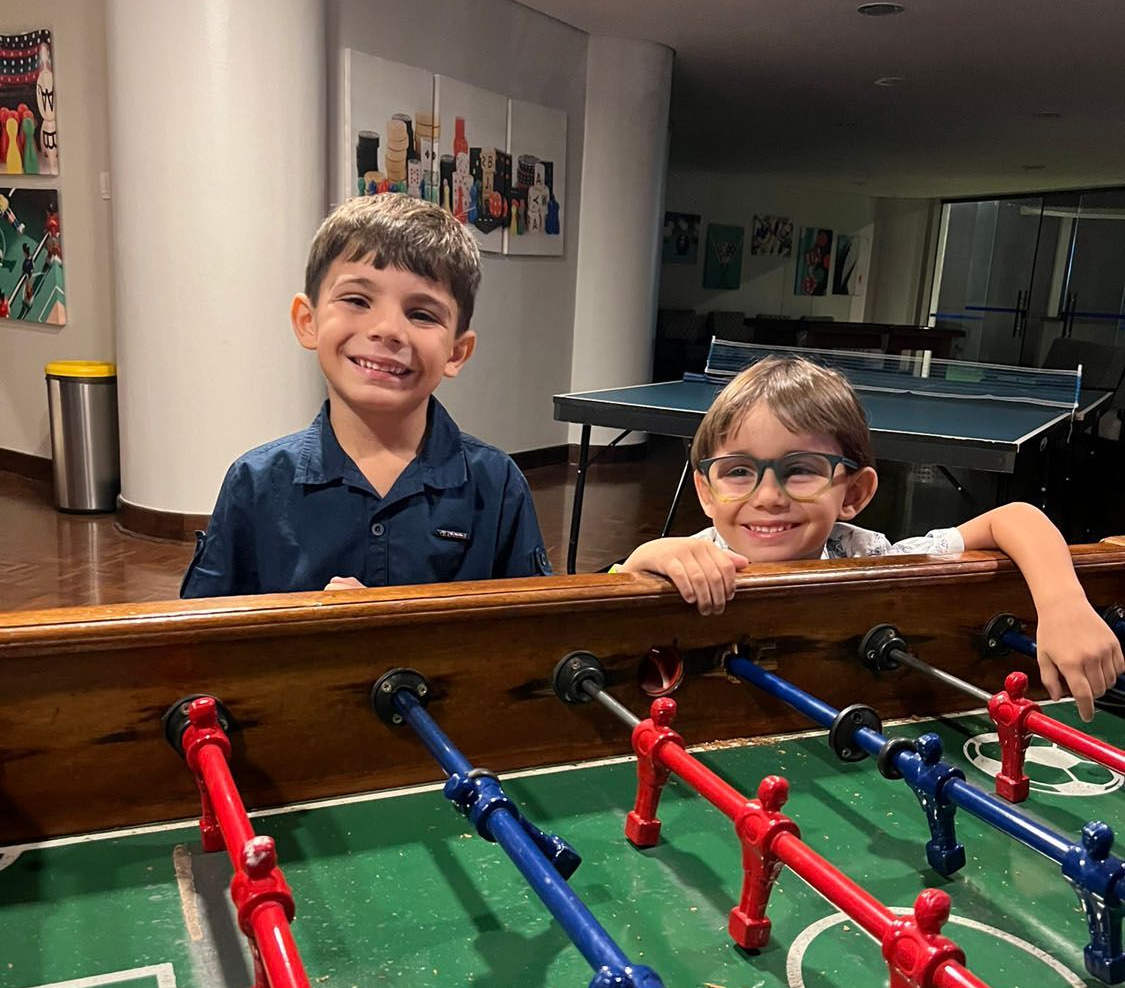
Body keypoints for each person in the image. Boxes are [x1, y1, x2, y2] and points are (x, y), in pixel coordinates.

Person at [620, 355, 1123, 720]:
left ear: (855, 492)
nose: (768, 496)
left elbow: (1014, 517)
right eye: (737, 471)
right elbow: (607, 606)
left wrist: (1063, 605)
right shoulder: (694, 557)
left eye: (801, 469)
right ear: (705, 492)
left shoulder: (871, 559)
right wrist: (646, 559)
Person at [181, 194, 549, 598]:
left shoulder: (496, 485)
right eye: (357, 300)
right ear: (308, 321)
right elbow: (207, 628)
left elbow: (532, 626)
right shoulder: (255, 483)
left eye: (422, 314)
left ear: (456, 352)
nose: (387, 329)